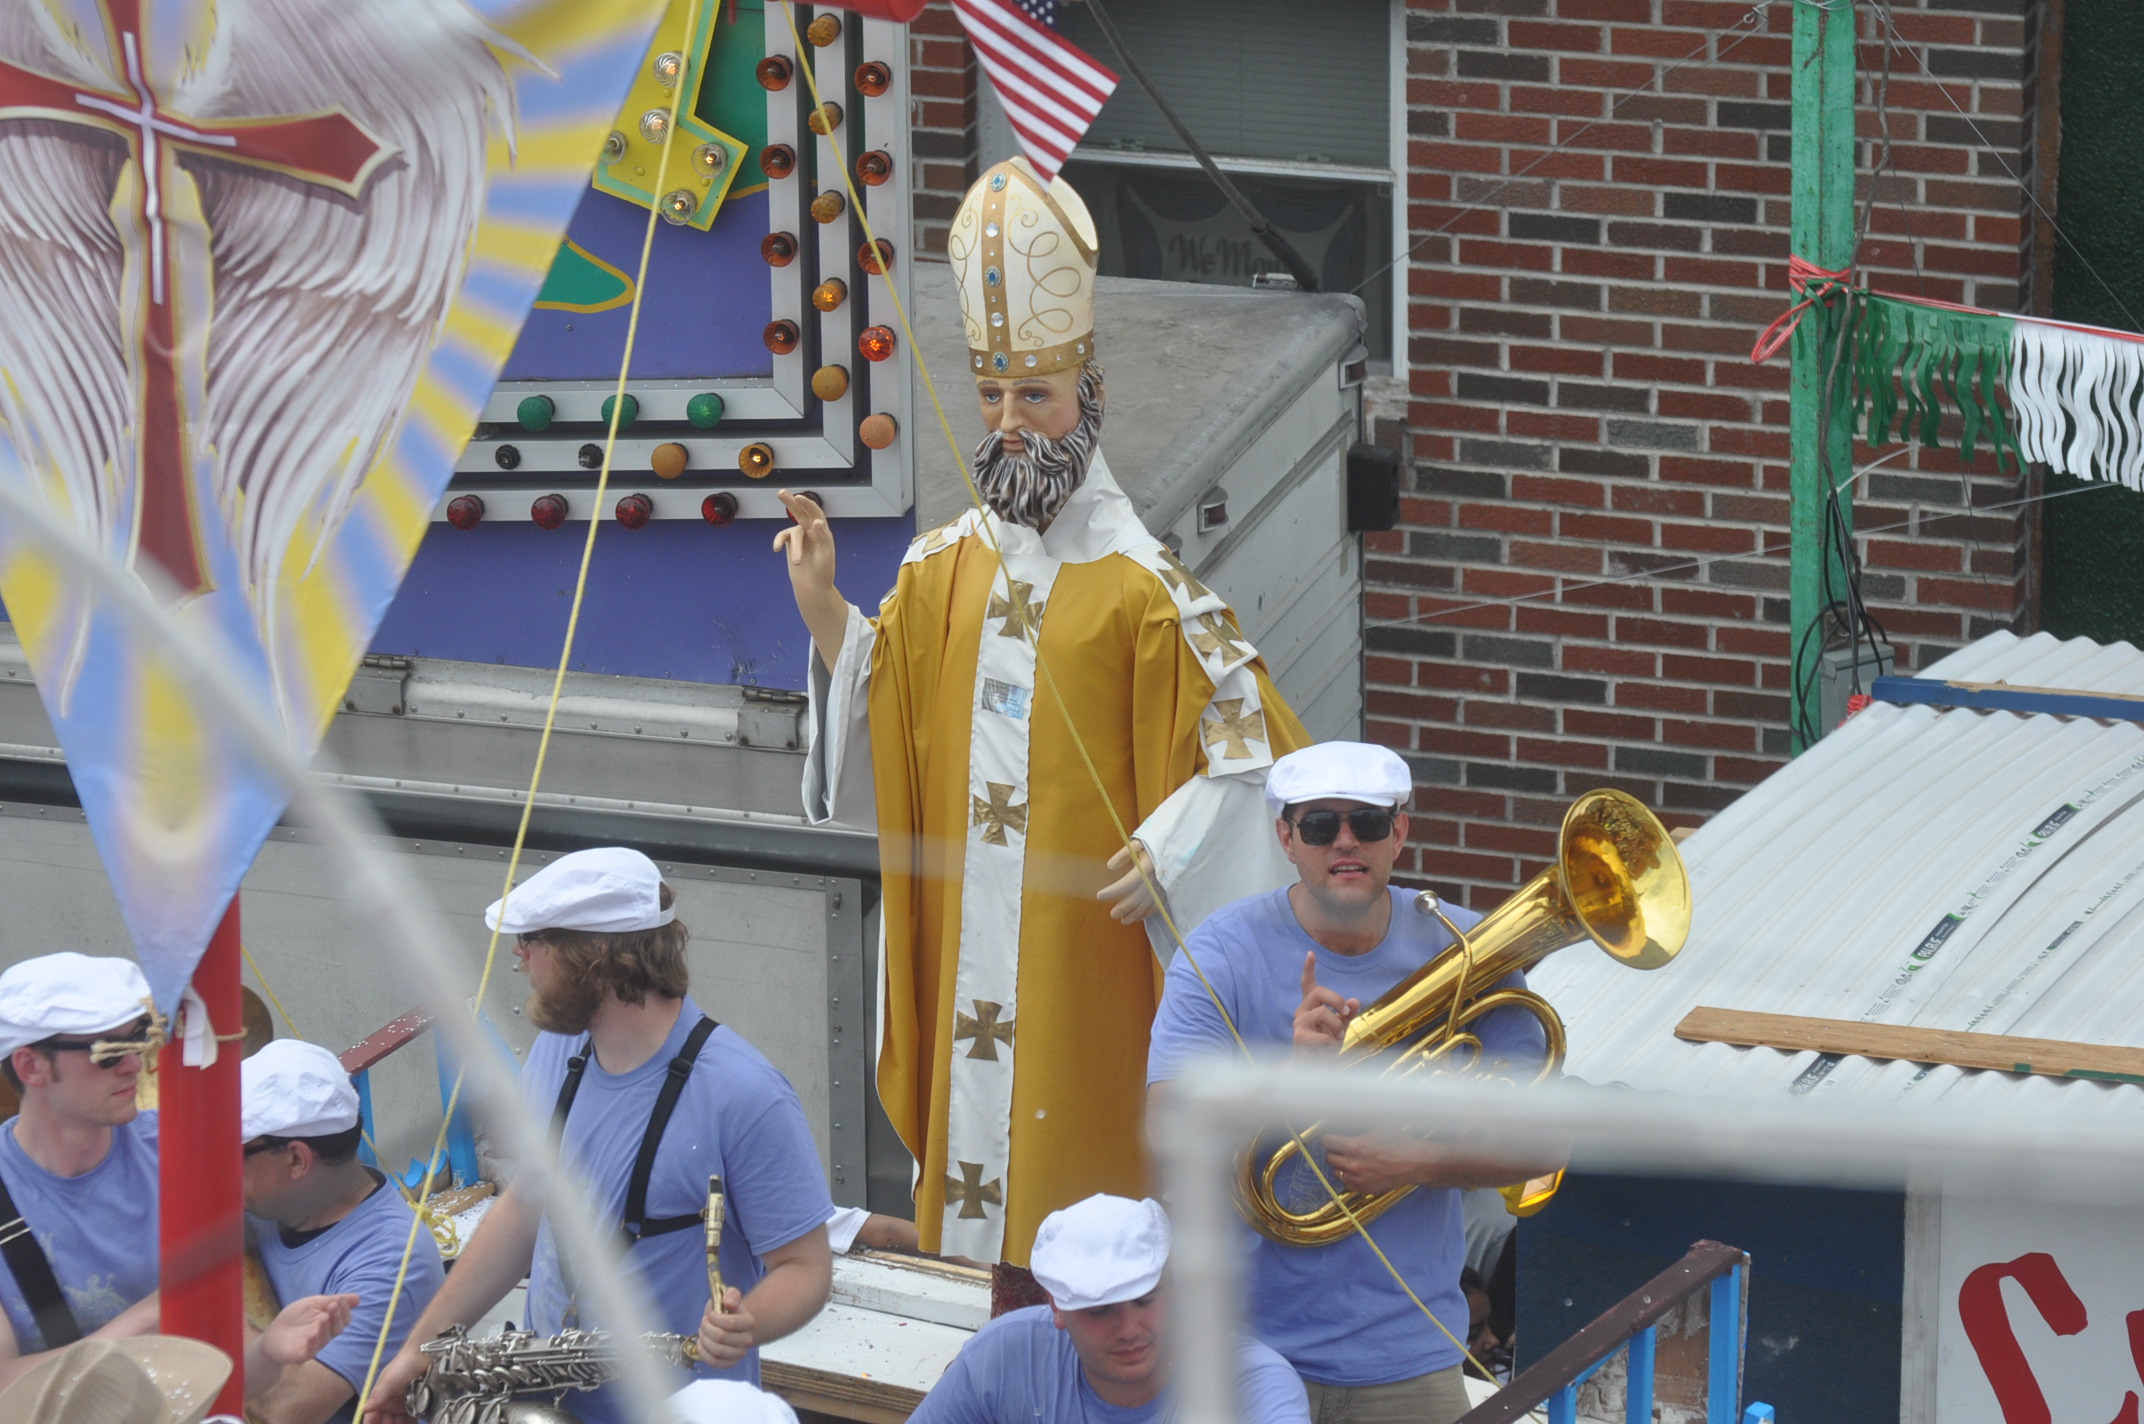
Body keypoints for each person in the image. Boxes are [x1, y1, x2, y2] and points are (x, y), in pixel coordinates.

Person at [782, 155, 1309, 1269]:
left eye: (1035, 396)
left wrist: (1173, 845)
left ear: (1087, 400)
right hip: (966, 937)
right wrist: (828, 613)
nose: (1010, 422)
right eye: (991, 396)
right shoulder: (940, 568)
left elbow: (1255, 752)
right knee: (970, 1211)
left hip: (1084, 958)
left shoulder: (1146, 591)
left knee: (1081, 1195)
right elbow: (891, 696)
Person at [1145, 742, 1561, 1424]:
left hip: (1409, 1359)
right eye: (1318, 826)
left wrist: (1421, 1160)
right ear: (1285, 836)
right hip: (1240, 1348)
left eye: (1367, 823)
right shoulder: (1220, 952)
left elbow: (1545, 1142)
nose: (1345, 842)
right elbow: (1169, 1128)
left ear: (1399, 831)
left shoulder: (1466, 947)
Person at [364, 848, 833, 1424]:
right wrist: (418, 1350)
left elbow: (806, 1268)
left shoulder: (746, 1095)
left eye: (534, 939)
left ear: (598, 956)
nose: (519, 954)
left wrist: (745, 1323)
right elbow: (525, 1207)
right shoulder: (560, 1051)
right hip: (549, 1401)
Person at [0, 953, 357, 1396]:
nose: (134, 1064)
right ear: (31, 1066)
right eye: (107, 1053)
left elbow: (231, 1369)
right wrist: (153, 1315)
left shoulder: (183, 1154)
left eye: (137, 1039)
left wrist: (268, 1352)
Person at [907, 1194, 1307, 1424]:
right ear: (1057, 1307)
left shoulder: (1254, 1384)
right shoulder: (1001, 1354)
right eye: (1100, 1311)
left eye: (1146, 1300)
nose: (1129, 1328)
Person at [240, 1038, 445, 1424]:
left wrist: (211, 1304)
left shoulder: (392, 1261)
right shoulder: (265, 1199)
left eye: (232, 1154)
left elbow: (285, 1411)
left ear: (297, 1160)